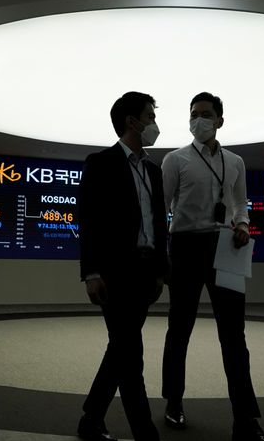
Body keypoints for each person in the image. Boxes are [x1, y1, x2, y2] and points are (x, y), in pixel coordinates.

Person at [161, 92, 264, 441]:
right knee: (179, 330)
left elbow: (240, 203)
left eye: (206, 114)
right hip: (185, 246)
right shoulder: (175, 160)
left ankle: (246, 420)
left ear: (220, 120)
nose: (198, 120)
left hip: (226, 247)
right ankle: (173, 402)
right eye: (194, 114)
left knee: (234, 336)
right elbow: (161, 207)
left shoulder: (235, 161)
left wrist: (242, 223)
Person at [77, 91, 168, 441]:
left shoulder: (153, 171)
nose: (153, 124)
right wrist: (92, 273)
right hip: (115, 273)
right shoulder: (100, 162)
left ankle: (91, 419)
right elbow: (89, 220)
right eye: (149, 117)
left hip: (146, 272)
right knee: (131, 353)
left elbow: (159, 223)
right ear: (132, 121)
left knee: (121, 348)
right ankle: (145, 432)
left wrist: (161, 270)